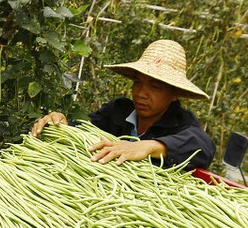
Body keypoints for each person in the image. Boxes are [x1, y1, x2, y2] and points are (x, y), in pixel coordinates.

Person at [30, 39, 216, 169]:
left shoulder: (181, 124)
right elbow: (84, 128)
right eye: (138, 82)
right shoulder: (118, 111)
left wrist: (147, 147)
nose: (142, 93)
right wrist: (61, 123)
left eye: (155, 86)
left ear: (174, 93)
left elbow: (203, 147)